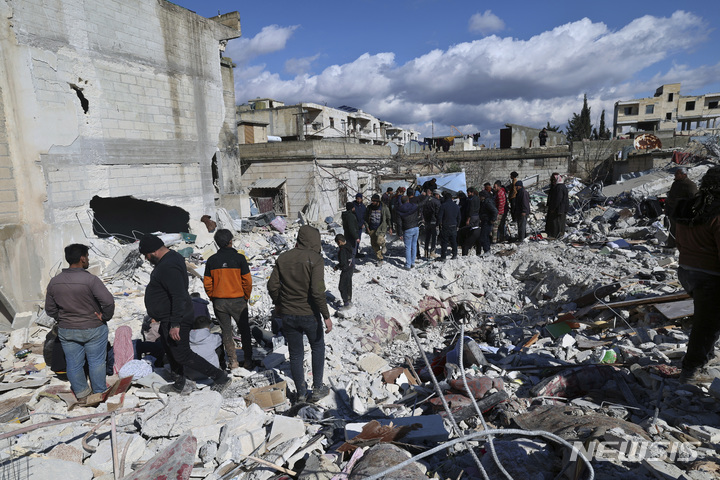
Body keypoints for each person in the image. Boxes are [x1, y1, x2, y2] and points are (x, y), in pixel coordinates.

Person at [140, 234, 231, 394]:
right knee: (169, 348)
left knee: (182, 354)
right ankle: (179, 382)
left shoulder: (169, 266)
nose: (146, 259)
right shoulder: (171, 258)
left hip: (177, 316)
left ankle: (220, 377)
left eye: (146, 255)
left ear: (153, 251)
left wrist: (175, 324)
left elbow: (178, 295)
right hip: (169, 316)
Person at [267, 226, 333, 403]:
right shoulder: (316, 259)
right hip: (309, 313)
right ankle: (317, 388)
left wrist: (279, 304)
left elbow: (272, 286)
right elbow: (317, 290)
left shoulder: (283, 257)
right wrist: (326, 315)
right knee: (317, 347)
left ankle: (301, 393)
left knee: (296, 354)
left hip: (288, 314)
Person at [45, 244, 115, 402]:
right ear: (82, 258)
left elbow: (49, 309)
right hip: (93, 328)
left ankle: (82, 394)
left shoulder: (54, 282)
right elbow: (108, 302)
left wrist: (62, 318)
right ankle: (99, 393)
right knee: (96, 361)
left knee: (73, 363)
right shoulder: (91, 280)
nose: (88, 259)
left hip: (67, 329)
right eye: (87, 256)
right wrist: (104, 317)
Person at [675, 166, 720, 383]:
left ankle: (706, 355)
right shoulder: (718, 212)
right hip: (710, 276)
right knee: (706, 325)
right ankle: (691, 370)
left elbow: (678, 239)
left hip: (687, 271)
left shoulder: (691, 205)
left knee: (710, 319)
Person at [203, 229, 254, 370]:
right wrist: (246, 296)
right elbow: (247, 281)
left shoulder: (212, 260)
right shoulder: (239, 259)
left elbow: (207, 282)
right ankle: (248, 360)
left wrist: (213, 296)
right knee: (244, 330)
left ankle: (233, 362)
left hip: (220, 302)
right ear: (230, 241)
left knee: (226, 332)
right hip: (238, 300)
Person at [666, 167, 698, 249]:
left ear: (684, 175)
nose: (675, 175)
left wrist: (680, 201)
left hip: (682, 212)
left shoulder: (690, 184)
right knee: (673, 229)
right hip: (673, 211)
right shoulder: (675, 183)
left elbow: (694, 199)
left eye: (677, 174)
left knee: (682, 230)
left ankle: (683, 247)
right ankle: (671, 245)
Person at [187, 315, 224, 379]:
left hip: (190, 373)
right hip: (210, 372)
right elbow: (221, 336)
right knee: (219, 345)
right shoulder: (212, 338)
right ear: (208, 327)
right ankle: (222, 365)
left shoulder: (186, 338)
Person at [364, 194, 392, 265]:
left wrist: (390, 227)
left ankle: (383, 246)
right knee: (374, 244)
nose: (372, 202)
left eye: (374, 201)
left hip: (381, 228)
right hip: (372, 228)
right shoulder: (369, 208)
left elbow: (388, 217)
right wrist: (367, 228)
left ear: (378, 201)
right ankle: (380, 258)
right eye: (372, 201)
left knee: (379, 240)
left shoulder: (384, 208)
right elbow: (365, 218)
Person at [396, 196, 420, 270]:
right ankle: (412, 263)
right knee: (414, 245)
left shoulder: (400, 210)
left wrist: (399, 233)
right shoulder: (414, 206)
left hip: (407, 229)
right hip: (416, 227)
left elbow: (399, 223)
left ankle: (408, 265)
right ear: (408, 200)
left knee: (407, 247)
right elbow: (421, 204)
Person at [437, 191, 460, 261]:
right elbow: (459, 217)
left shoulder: (443, 206)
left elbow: (439, 217)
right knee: (454, 241)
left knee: (444, 242)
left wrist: (439, 225)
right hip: (454, 225)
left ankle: (443, 256)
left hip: (445, 226)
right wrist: (458, 225)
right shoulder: (456, 206)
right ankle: (454, 254)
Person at [545, 172, 569, 238]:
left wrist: (553, 208)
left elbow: (558, 199)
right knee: (559, 222)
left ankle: (556, 235)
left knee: (556, 222)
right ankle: (559, 234)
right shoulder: (560, 186)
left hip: (559, 209)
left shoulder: (559, 188)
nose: (553, 182)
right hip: (561, 209)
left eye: (554, 180)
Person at [334, 234, 354, 308]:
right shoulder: (349, 245)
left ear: (339, 242)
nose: (338, 245)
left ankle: (346, 303)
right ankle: (349, 299)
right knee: (348, 284)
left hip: (345, 270)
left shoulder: (342, 250)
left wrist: (337, 267)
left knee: (342, 287)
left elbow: (342, 263)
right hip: (351, 268)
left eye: (337, 243)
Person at [423, 189, 441, 259]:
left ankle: (426, 251)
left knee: (427, 237)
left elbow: (423, 211)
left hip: (427, 221)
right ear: (436, 194)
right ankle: (432, 252)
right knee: (434, 237)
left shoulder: (426, 200)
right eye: (439, 195)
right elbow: (438, 213)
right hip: (434, 221)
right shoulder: (437, 202)